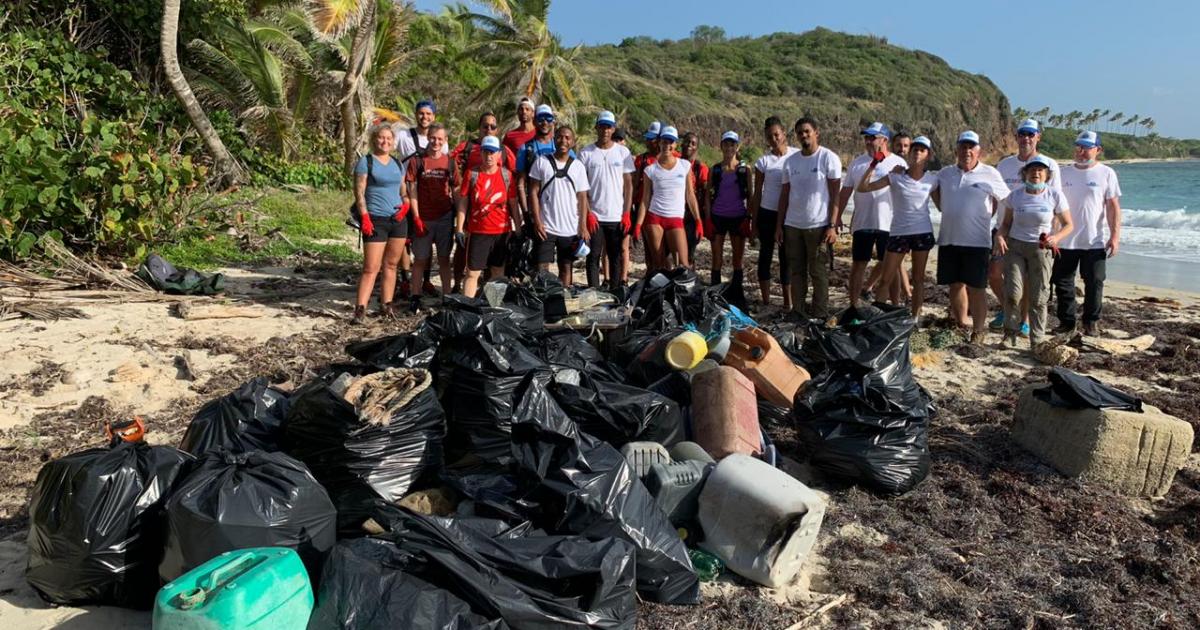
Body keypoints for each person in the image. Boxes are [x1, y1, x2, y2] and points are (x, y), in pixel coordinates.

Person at [931, 131, 1011, 345]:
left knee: (977, 288)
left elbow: (1006, 201)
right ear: (956, 150)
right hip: (949, 239)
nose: (967, 151)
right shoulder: (945, 173)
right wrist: (942, 207)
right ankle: (961, 324)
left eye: (971, 147)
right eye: (963, 147)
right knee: (955, 285)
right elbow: (930, 189)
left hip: (977, 241)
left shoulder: (990, 173)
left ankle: (978, 331)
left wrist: (1001, 231)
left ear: (979, 151)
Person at [994, 155, 1073, 350]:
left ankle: (1036, 340)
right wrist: (1000, 237)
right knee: (1013, 293)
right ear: (1025, 173)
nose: (1036, 173)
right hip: (1015, 248)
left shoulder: (1054, 195)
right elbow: (1005, 224)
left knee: (1039, 297)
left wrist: (1056, 238)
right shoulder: (1016, 195)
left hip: (1041, 249)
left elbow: (1068, 224)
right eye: (1032, 170)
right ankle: (1010, 334)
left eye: (1040, 170)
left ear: (1046, 175)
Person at [992, 118, 1063, 335]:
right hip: (1005, 230)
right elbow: (995, 196)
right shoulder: (1004, 165)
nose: (1026, 138)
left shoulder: (1049, 165)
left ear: (1038, 137)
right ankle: (1008, 310)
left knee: (1028, 282)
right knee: (994, 273)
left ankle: (1022, 321)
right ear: (1016, 136)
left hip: (1036, 235)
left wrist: (1053, 236)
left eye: (1031, 134)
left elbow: (1056, 202)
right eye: (1022, 134)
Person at [856, 135, 937, 321]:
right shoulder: (895, 176)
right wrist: (874, 164)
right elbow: (863, 187)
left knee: (918, 280)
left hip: (922, 232)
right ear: (910, 152)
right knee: (886, 278)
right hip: (899, 232)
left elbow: (943, 206)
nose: (917, 152)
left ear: (928, 155)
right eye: (915, 149)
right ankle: (877, 319)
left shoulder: (933, 179)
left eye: (922, 150)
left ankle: (915, 319)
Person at [1052, 130, 1122, 336]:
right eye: (1078, 147)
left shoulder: (1107, 173)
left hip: (1094, 240)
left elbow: (1113, 207)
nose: (1081, 151)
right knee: (1062, 282)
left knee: (1095, 281)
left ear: (1098, 150)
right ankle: (1067, 322)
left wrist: (1115, 236)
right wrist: (1052, 233)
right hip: (1065, 240)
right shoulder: (1062, 173)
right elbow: (1053, 204)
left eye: (1086, 148)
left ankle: (1091, 322)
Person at [776, 116, 841, 320]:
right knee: (797, 272)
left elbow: (835, 195)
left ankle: (820, 313)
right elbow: (784, 195)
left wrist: (832, 225)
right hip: (793, 225)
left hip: (819, 225)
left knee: (818, 272)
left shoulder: (828, 158)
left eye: (807, 131)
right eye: (799, 132)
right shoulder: (790, 162)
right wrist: (780, 226)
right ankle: (798, 312)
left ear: (816, 133)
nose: (803, 135)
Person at [838, 122, 907, 306]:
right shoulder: (857, 163)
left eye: (872, 137)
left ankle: (894, 305)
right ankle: (853, 305)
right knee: (859, 264)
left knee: (891, 266)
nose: (868, 141)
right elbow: (845, 193)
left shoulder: (898, 163)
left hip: (889, 224)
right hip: (863, 222)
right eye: (866, 137)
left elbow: (908, 193)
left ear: (884, 140)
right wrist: (835, 218)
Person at [352, 124, 412, 323]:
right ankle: (360, 309)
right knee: (371, 267)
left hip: (397, 220)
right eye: (381, 138)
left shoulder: (397, 164)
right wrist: (365, 217)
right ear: (374, 140)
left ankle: (387, 304)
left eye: (388, 138)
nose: (385, 141)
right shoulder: (365, 162)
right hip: (375, 219)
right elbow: (359, 193)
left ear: (393, 142)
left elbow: (403, 192)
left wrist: (406, 206)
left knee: (391, 265)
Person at [455, 135, 520, 299]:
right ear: (481, 153)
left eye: (492, 152)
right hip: (478, 232)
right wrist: (459, 228)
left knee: (497, 273)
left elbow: (513, 204)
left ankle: (494, 309)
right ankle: (467, 308)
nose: (489, 156)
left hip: (501, 232)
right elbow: (463, 202)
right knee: (472, 273)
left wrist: (518, 229)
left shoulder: (507, 176)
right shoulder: (472, 174)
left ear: (499, 154)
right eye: (485, 152)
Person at [579, 110, 635, 291]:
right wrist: (588, 213)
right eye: (602, 126)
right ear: (596, 127)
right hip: (595, 216)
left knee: (615, 256)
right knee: (593, 256)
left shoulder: (623, 152)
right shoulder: (586, 153)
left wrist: (626, 213)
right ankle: (593, 294)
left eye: (608, 126)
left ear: (613, 129)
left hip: (616, 215)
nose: (605, 130)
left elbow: (628, 186)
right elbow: (582, 189)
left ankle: (616, 292)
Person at [530, 125, 591, 288]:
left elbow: (582, 198)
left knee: (566, 268)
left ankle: (563, 302)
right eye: (560, 137)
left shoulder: (578, 166)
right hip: (546, 226)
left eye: (567, 138)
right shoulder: (541, 162)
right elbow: (533, 192)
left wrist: (582, 225)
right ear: (553, 138)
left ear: (573, 142)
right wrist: (537, 220)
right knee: (541, 268)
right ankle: (542, 303)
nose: (563, 140)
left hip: (570, 227)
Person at [404, 123, 457, 312]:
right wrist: (416, 216)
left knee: (444, 259)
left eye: (440, 139)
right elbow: (412, 190)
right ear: (428, 138)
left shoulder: (450, 162)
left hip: (444, 216)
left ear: (445, 141)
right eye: (433, 138)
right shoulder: (417, 161)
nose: (436, 142)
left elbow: (455, 189)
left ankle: (448, 297)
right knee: (420, 259)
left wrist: (459, 216)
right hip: (424, 217)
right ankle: (415, 296)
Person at [636, 125, 702, 272]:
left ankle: (679, 293)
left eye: (671, 142)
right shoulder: (650, 170)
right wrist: (638, 225)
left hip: (676, 219)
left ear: (675, 144)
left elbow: (690, 196)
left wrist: (698, 220)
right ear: (659, 142)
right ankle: (661, 294)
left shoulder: (684, 166)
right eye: (665, 141)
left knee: (683, 265)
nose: (667, 145)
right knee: (658, 264)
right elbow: (645, 200)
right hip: (654, 218)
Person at [751, 117, 797, 310]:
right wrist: (754, 222)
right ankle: (766, 300)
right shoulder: (763, 161)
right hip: (767, 213)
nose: (774, 139)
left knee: (786, 257)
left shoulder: (796, 156)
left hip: (789, 214)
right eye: (770, 136)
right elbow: (757, 192)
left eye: (776, 134)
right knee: (766, 255)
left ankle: (788, 301)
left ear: (784, 134)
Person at [706, 130, 753, 289]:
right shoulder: (715, 169)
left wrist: (748, 218)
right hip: (718, 216)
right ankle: (714, 291)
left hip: (738, 216)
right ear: (721, 146)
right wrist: (707, 219)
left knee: (737, 259)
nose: (729, 148)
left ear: (737, 147)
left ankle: (736, 291)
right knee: (716, 258)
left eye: (732, 144)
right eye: (726, 144)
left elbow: (750, 196)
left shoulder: (745, 169)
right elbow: (707, 195)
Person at [516, 104, 563, 218]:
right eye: (540, 119)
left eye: (548, 118)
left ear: (553, 122)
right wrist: (526, 214)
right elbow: (521, 185)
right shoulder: (525, 149)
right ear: (534, 121)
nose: (545, 122)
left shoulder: (562, 147)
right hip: (536, 209)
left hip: (560, 209)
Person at [679, 132, 709, 264]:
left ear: (697, 148)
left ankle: (688, 278)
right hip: (674, 212)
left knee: (689, 252)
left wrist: (703, 218)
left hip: (692, 215)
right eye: (687, 142)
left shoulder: (700, 168)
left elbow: (706, 192)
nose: (689, 146)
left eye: (693, 143)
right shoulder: (674, 162)